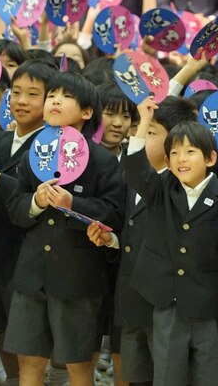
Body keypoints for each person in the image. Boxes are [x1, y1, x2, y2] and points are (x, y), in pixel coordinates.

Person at [4, 72, 124, 386]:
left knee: (78, 365)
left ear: (86, 112)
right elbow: (15, 207)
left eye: (65, 96)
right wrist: (36, 202)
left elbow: (114, 214)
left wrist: (76, 204)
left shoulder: (102, 161)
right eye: (52, 95)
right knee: (28, 361)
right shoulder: (33, 153)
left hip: (78, 280)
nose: (54, 100)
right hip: (32, 276)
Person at [119, 98, 218, 385]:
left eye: (190, 152)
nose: (181, 159)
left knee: (210, 377)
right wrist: (144, 124)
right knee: (166, 376)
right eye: (174, 153)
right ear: (166, 161)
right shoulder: (161, 187)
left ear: (210, 158)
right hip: (167, 301)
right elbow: (134, 171)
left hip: (211, 305)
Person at [88, 96, 197, 384]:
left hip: (163, 302)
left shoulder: (178, 186)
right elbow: (129, 234)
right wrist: (111, 240)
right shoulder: (127, 182)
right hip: (129, 295)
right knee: (132, 374)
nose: (135, 137)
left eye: (148, 132)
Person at [0, 62, 57, 386]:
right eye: (16, 92)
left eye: (33, 94)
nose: (20, 100)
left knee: (20, 346)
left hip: (22, 258)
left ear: (51, 102)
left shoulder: (54, 148)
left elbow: (42, 199)